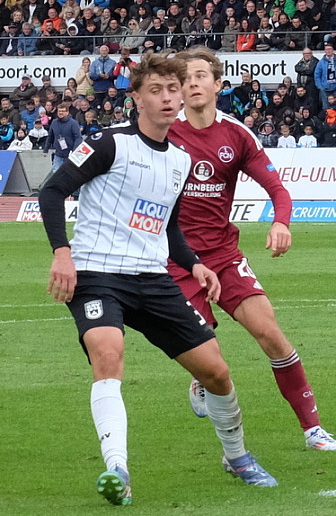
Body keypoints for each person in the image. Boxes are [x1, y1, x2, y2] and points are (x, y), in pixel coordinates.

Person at [37, 52, 278, 507]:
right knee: (108, 353)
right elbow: (52, 190)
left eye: (173, 89)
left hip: (153, 277)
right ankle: (117, 470)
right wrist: (62, 253)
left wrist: (195, 264)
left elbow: (169, 227)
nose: (168, 98)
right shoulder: (108, 143)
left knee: (216, 371)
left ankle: (237, 456)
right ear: (136, 98)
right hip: (97, 273)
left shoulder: (180, 160)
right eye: (156, 90)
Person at [168, 47, 336, 452]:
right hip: (175, 261)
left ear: (218, 84)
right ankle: (206, 389)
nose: (192, 83)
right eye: (185, 78)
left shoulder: (236, 134)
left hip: (224, 256)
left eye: (200, 76)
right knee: (210, 356)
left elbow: (277, 189)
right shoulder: (164, 133)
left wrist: (281, 222)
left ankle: (314, 430)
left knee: (271, 334)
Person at [43, 102, 82, 172]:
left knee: (70, 173)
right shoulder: (54, 122)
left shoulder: (73, 123)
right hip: (58, 153)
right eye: (59, 111)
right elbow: (50, 136)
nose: (61, 113)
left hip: (70, 154)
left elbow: (78, 138)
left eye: (63, 111)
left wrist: (74, 151)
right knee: (56, 172)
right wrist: (46, 149)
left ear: (67, 112)